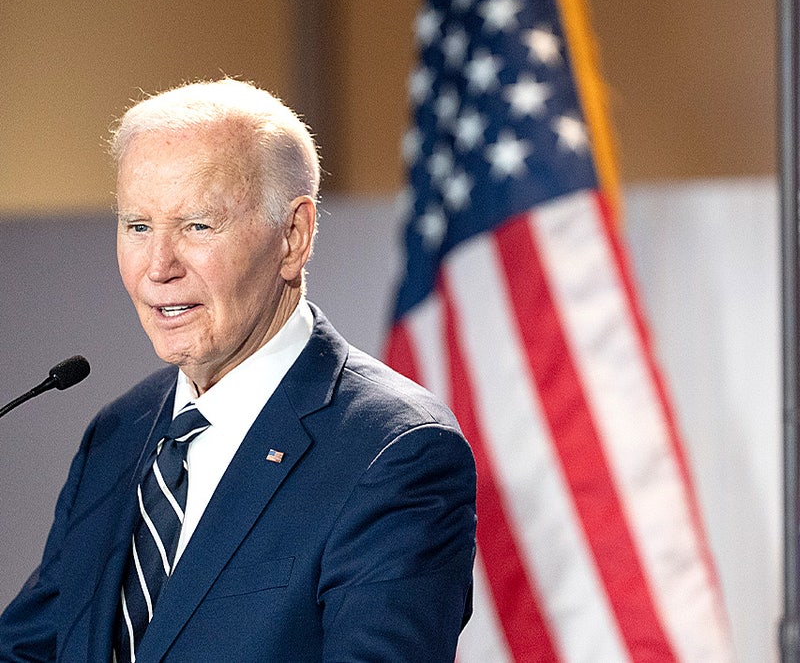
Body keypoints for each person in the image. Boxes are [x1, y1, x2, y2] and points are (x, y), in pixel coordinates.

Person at [0, 79, 476, 661]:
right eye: (138, 226)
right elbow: (34, 647)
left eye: (198, 225)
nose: (159, 267)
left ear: (293, 237)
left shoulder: (394, 451)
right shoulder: (119, 432)